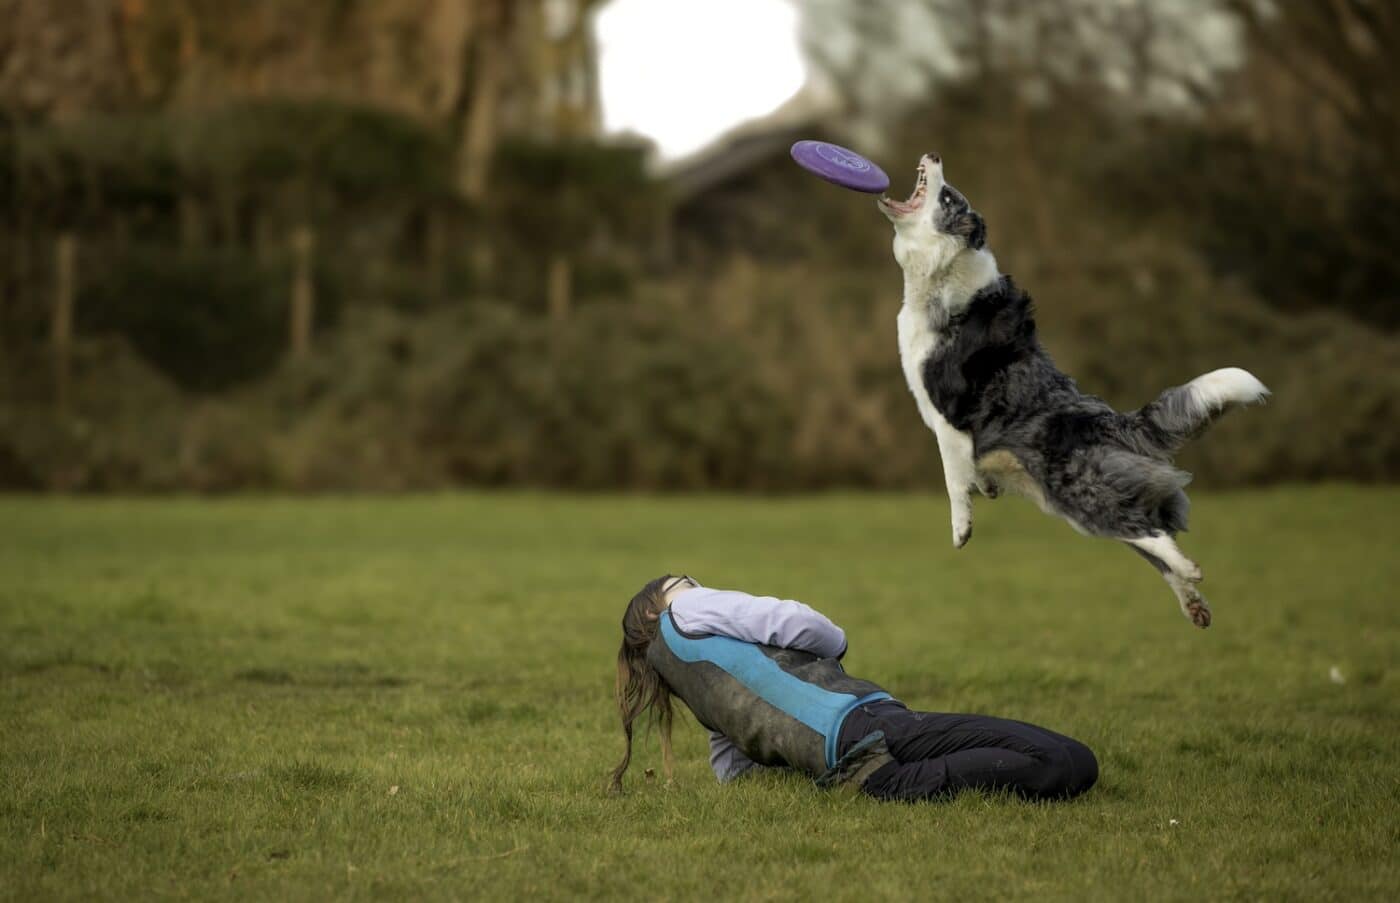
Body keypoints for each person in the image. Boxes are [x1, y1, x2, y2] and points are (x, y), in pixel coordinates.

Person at [610, 575, 1098, 802]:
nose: (697, 583)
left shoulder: (697, 692)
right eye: (684, 581)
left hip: (856, 776)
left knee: (1049, 766)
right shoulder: (685, 612)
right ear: (657, 609)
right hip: (867, 721)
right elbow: (789, 619)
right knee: (1071, 760)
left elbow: (734, 773)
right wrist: (837, 645)